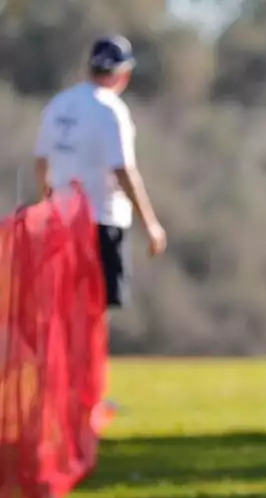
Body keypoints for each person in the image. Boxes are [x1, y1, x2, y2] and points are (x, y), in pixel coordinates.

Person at [34, 35, 167, 312]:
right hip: (102, 221)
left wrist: (45, 206)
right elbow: (123, 171)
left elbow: (41, 163)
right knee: (94, 307)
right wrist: (150, 224)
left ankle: (72, 356)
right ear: (124, 74)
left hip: (62, 222)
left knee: (67, 305)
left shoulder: (59, 104)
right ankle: (87, 358)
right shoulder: (111, 110)